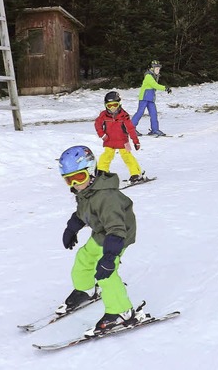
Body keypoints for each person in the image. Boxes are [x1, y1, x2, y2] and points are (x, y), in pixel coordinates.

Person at [56, 146, 147, 335]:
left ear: (90, 170)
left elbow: (116, 228)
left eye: (79, 177)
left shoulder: (107, 197)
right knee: (84, 258)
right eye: (69, 180)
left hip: (117, 236)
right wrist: (72, 228)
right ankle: (86, 290)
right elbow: (84, 211)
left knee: (105, 273)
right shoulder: (86, 191)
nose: (75, 184)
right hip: (101, 232)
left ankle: (122, 311)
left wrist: (110, 256)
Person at [94, 91, 143, 184]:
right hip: (109, 140)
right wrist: (102, 134)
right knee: (106, 156)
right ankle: (102, 173)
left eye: (115, 105)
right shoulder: (103, 115)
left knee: (127, 157)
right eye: (109, 106)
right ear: (106, 106)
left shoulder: (124, 116)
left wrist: (136, 141)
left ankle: (136, 174)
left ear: (119, 104)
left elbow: (131, 129)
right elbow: (97, 124)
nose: (112, 108)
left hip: (123, 141)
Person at [131, 60, 172, 136]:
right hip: (144, 97)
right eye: (156, 69)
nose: (158, 70)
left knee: (153, 113)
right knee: (140, 113)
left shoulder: (154, 76)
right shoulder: (148, 76)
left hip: (150, 98)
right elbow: (155, 85)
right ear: (152, 69)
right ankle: (130, 128)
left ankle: (155, 129)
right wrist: (165, 88)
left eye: (159, 69)